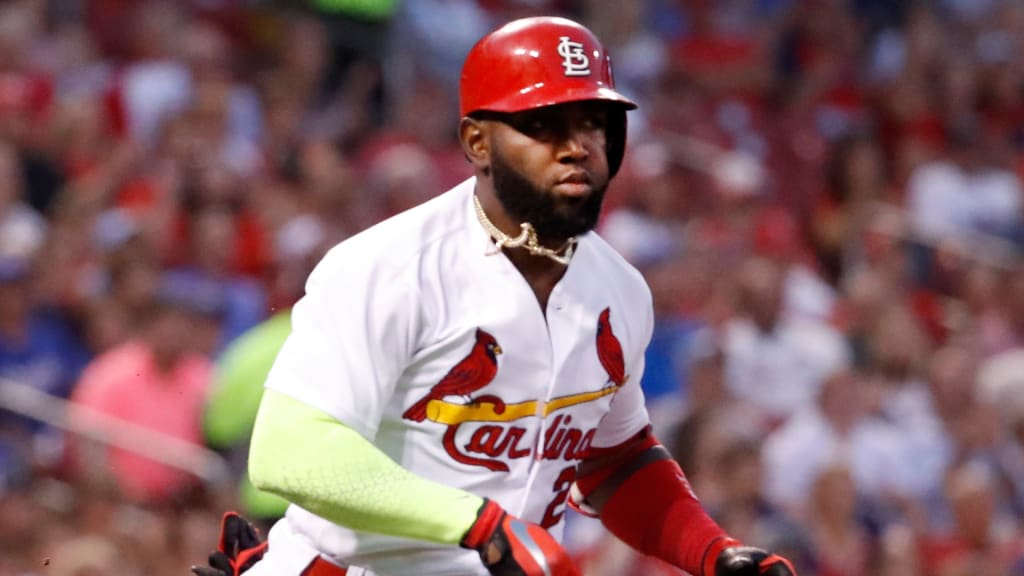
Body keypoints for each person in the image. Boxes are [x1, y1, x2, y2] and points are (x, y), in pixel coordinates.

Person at [193, 16, 797, 576]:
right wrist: (480, 524)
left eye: (593, 121)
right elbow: (288, 452)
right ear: (477, 142)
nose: (576, 146)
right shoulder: (390, 267)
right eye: (543, 124)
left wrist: (712, 551)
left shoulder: (620, 289)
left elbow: (613, 459)